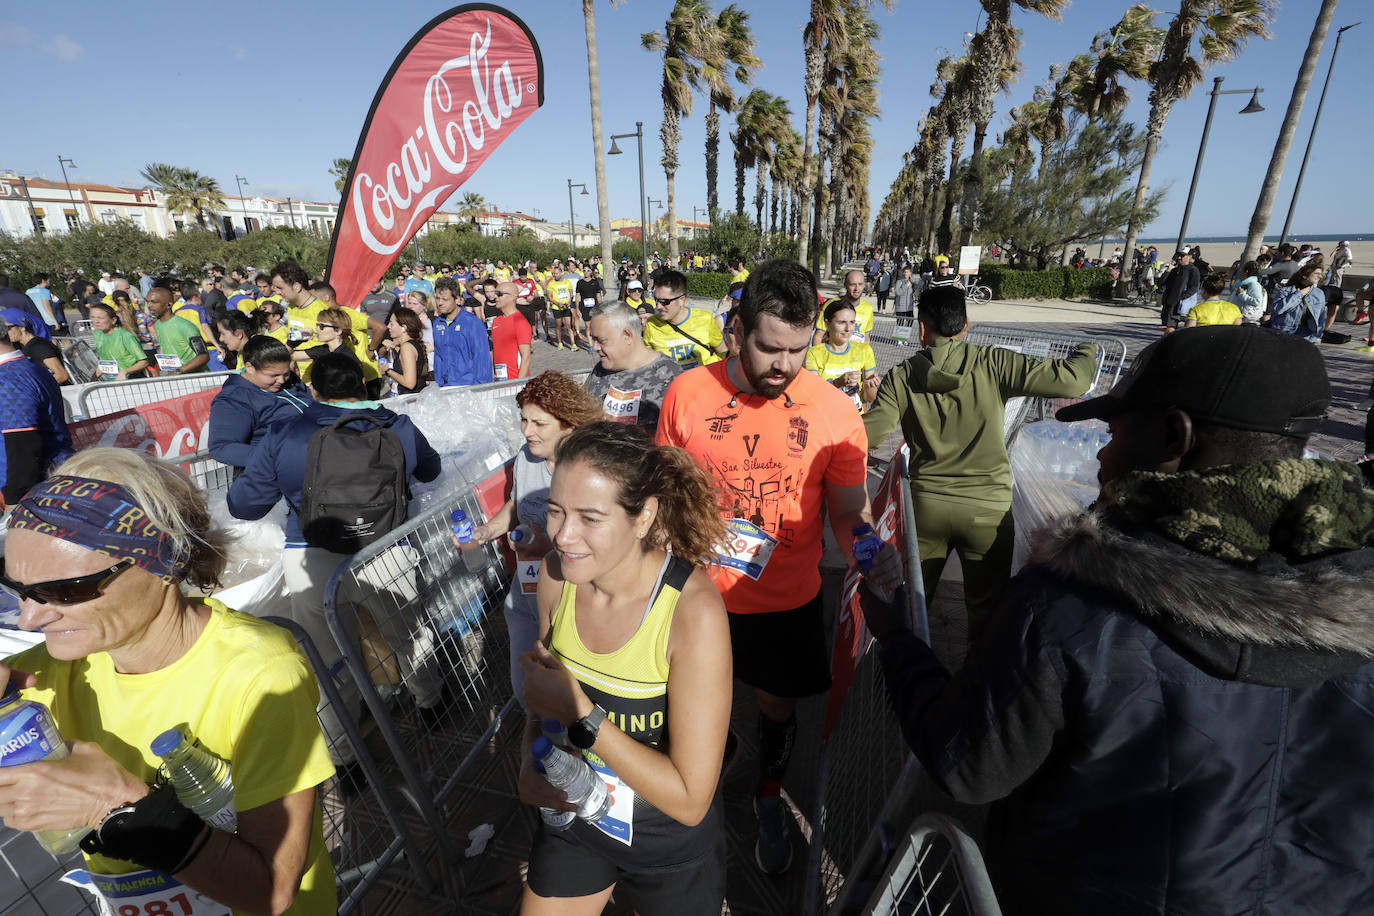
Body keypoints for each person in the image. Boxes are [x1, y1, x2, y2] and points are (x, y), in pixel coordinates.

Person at [863, 325, 1374, 916]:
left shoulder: (1072, 601)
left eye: (1113, 431)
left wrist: (899, 638)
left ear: (1174, 436)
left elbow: (972, 766)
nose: (1102, 453)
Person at [0, 449, 337, 915]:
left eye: (66, 591)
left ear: (164, 563)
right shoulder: (46, 672)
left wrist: (120, 806)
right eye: (15, 586)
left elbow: (272, 891)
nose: (30, 616)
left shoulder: (258, 673)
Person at [655, 258, 901, 875]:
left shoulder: (835, 413)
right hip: (697, 596)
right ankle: (693, 793)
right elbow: (666, 489)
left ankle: (768, 796)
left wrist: (870, 551)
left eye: (798, 349)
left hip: (785, 601)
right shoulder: (687, 393)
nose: (784, 366)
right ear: (736, 330)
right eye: (769, 349)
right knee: (688, 705)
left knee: (776, 709)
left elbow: (848, 509)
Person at [517, 421, 732, 914]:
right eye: (555, 511)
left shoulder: (691, 614)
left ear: (644, 516)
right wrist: (527, 757)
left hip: (667, 845)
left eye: (590, 518)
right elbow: (541, 695)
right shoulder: (557, 576)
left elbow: (690, 799)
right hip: (575, 819)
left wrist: (583, 716)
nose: (564, 536)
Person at [227, 352, 443, 770]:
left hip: (311, 559)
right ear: (362, 386)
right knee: (408, 636)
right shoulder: (397, 425)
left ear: (312, 391)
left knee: (327, 662)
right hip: (387, 549)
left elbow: (245, 506)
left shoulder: (286, 433)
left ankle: (344, 759)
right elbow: (430, 471)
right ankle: (431, 703)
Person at [862, 283, 1096, 641]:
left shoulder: (901, 376)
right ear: (965, 326)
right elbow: (1073, 380)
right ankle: (974, 680)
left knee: (915, 601)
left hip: (928, 507)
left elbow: (870, 435)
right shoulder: (993, 362)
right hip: (988, 510)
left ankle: (907, 671)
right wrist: (1087, 348)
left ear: (921, 328)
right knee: (986, 608)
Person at [461, 372, 601, 701]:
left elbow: (604, 538)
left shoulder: (592, 466)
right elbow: (517, 501)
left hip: (574, 600)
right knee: (528, 689)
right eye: (523, 419)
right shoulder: (526, 455)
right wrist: (486, 531)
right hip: (525, 593)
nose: (526, 431)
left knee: (569, 695)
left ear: (568, 423)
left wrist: (549, 547)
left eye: (539, 423)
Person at [208, 335, 313, 471]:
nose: (281, 380)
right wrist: (279, 457)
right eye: (273, 376)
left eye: (286, 373)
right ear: (250, 368)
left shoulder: (289, 380)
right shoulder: (234, 400)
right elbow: (222, 448)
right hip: (274, 477)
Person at [0, 317, 72, 504]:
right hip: (51, 479)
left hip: (38, 491)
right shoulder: (30, 366)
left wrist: (13, 504)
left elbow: (23, 445)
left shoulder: (7, 379)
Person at [584, 302, 683, 432]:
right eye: (593, 339)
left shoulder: (672, 376)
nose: (595, 347)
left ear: (627, 336)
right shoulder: (601, 370)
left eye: (601, 340)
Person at [642, 270, 726, 370]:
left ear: (682, 300)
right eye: (657, 300)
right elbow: (646, 363)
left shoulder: (705, 319)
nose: (658, 306)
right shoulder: (651, 324)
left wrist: (707, 369)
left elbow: (723, 353)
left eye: (665, 301)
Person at [804, 300, 878, 411]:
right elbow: (813, 396)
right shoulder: (814, 354)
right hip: (827, 419)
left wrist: (870, 387)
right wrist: (838, 382)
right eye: (841, 322)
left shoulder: (864, 350)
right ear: (827, 324)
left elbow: (869, 398)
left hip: (854, 419)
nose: (848, 328)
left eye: (852, 322)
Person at [431, 276, 492, 387]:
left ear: (457, 299)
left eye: (445, 299)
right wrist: (439, 384)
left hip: (468, 387)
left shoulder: (472, 323)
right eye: (437, 298)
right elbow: (438, 356)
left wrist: (480, 389)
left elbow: (482, 359)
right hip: (446, 388)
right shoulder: (438, 323)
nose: (440, 303)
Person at [146, 287, 209, 374]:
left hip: (196, 378)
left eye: (154, 302)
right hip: (176, 380)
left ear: (169, 305)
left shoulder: (185, 326)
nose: (149, 305)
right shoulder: (157, 325)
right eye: (147, 302)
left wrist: (179, 371)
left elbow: (203, 356)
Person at [811, 270, 875, 346]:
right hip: (834, 355)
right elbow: (818, 336)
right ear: (845, 285)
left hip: (856, 356)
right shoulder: (831, 305)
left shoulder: (868, 308)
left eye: (860, 284)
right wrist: (818, 356)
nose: (856, 288)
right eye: (853, 284)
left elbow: (866, 338)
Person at [5, 311, 70, 385]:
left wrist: (35, 389)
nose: (6, 332)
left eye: (8, 328)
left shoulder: (38, 346)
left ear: (22, 327)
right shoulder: (24, 346)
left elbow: (61, 375)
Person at [1268, 261, 1327, 344]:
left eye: (1321, 274)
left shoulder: (1319, 294)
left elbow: (1320, 317)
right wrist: (1299, 294)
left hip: (1306, 336)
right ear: (1305, 275)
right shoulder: (1286, 291)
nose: (1320, 276)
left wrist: (1317, 336)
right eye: (1316, 273)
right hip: (1283, 334)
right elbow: (1278, 309)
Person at [88, 303, 148, 380]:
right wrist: (92, 380)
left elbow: (144, 362)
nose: (96, 321)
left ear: (113, 320)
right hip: (112, 383)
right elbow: (104, 362)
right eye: (93, 317)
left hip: (132, 382)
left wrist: (125, 371)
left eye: (100, 318)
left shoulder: (126, 336)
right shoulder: (98, 334)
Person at [382, 307, 429, 394]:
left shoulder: (407, 347)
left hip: (411, 401)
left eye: (392, 324)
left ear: (403, 327)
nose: (388, 326)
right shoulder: (408, 345)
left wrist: (388, 371)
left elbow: (409, 383)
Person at [490, 282, 533, 380]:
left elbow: (526, 358)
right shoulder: (496, 321)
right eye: (495, 293)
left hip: (515, 381)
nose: (495, 297)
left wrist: (517, 385)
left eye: (499, 294)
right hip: (500, 381)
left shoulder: (520, 322)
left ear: (513, 297)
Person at [1158, 249, 1200, 329]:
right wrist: (1168, 270)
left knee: (1172, 329)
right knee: (1167, 328)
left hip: (1180, 305)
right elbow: (1161, 283)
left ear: (1189, 257)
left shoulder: (1193, 270)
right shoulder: (1174, 270)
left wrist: (1181, 297)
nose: (1179, 258)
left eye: (1182, 256)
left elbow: (1194, 287)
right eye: (1178, 256)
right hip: (1169, 304)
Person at [544, 264, 577, 350]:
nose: (554, 275)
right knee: (558, 326)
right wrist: (557, 303)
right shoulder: (551, 283)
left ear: (561, 273)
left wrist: (569, 302)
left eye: (556, 273)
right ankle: (560, 342)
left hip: (566, 307)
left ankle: (573, 344)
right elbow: (549, 297)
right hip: (557, 308)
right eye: (554, 273)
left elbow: (571, 294)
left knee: (569, 325)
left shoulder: (567, 282)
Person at [1230, 260, 1266, 324]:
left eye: (1242, 269)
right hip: (1235, 315)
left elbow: (1258, 301)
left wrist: (1242, 294)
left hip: (1245, 319)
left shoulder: (1254, 284)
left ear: (1246, 271)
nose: (1240, 270)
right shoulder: (1240, 283)